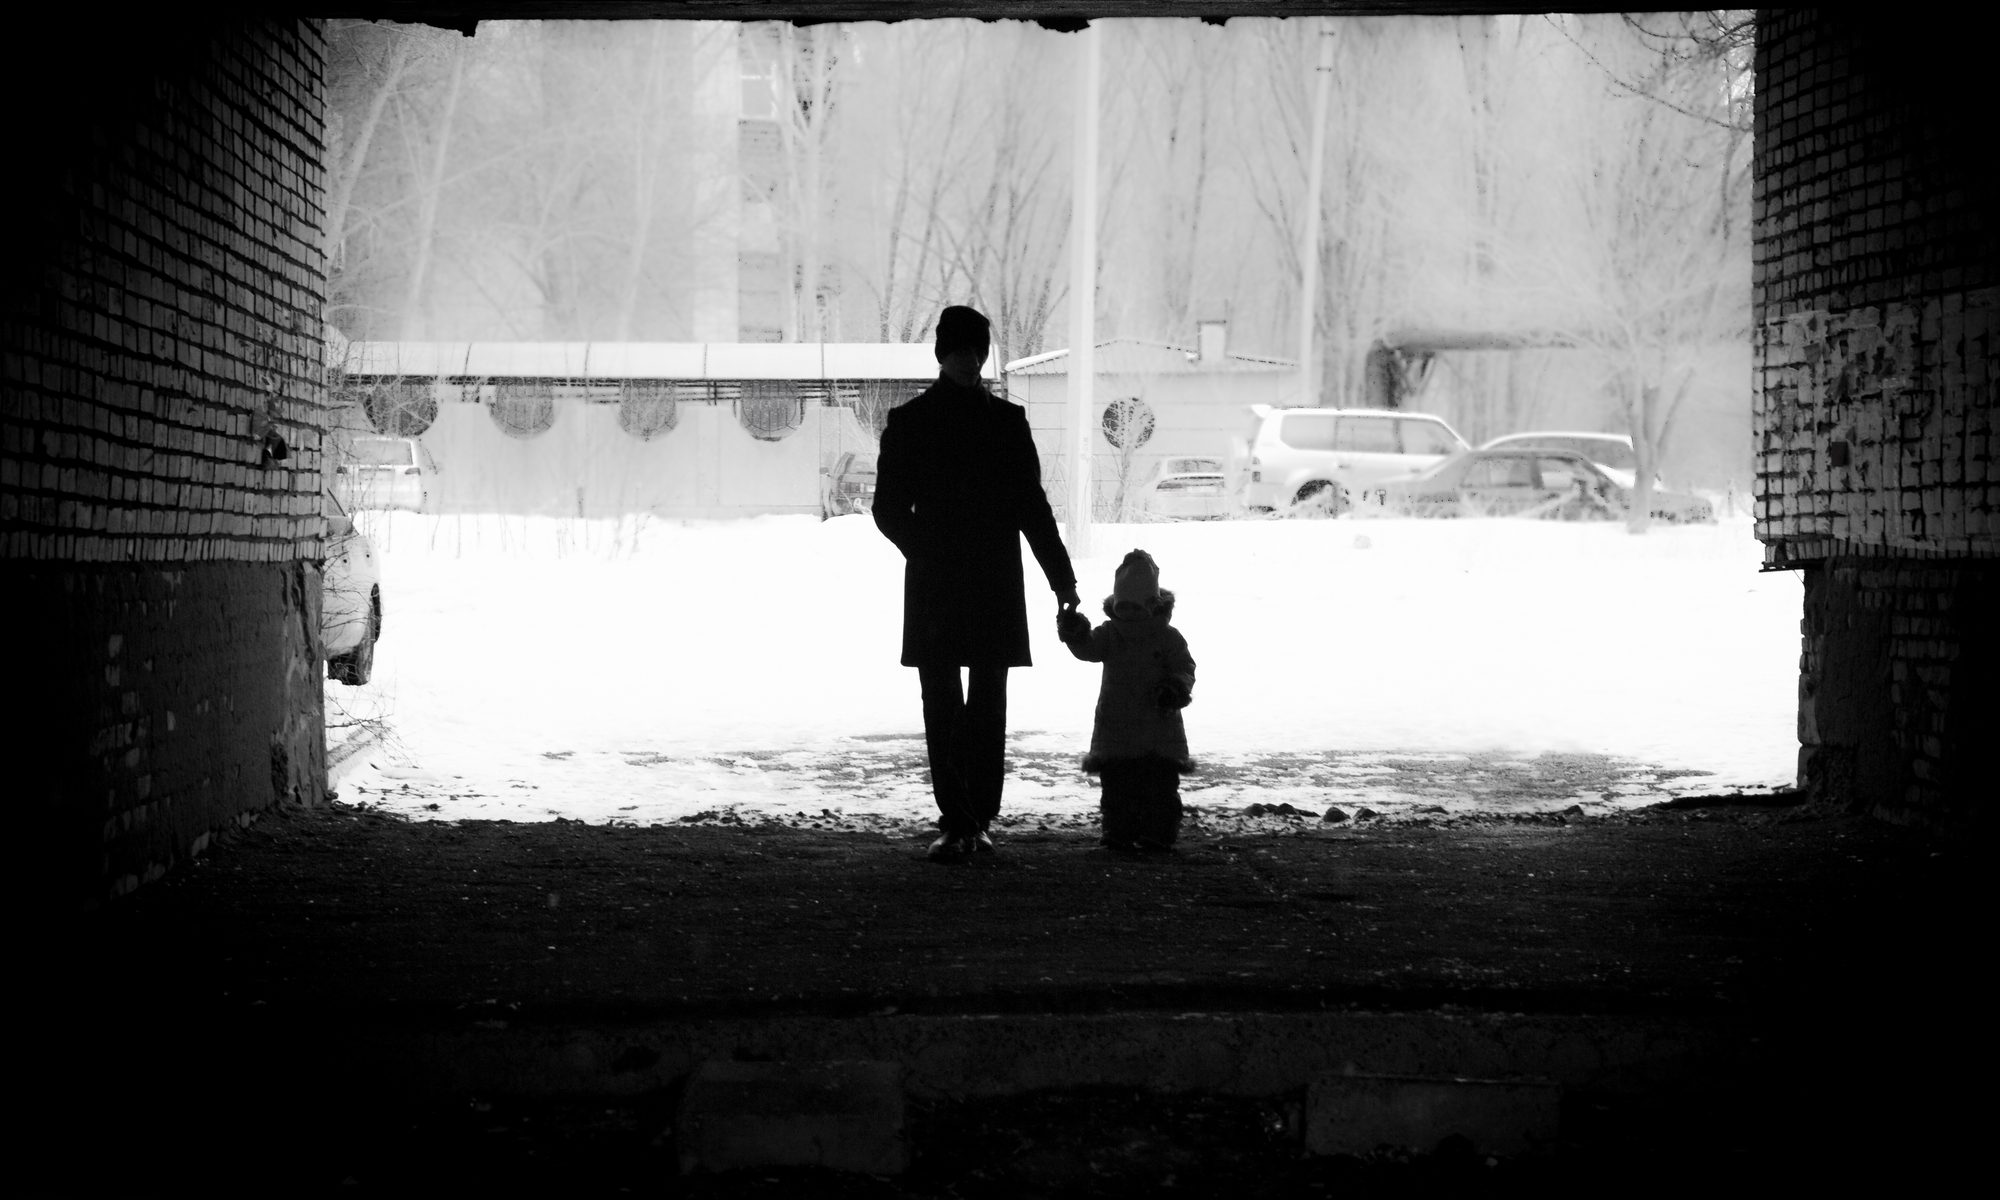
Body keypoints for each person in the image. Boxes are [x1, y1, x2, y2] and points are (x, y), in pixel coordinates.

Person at [873, 305, 1081, 862]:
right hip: (979, 577)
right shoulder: (969, 423)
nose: (970, 361)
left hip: (953, 582)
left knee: (974, 704)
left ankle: (971, 819)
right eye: (961, 351)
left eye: (976, 350)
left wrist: (1063, 581)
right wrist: (933, 551)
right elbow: (887, 509)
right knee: (955, 703)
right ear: (944, 353)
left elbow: (1033, 509)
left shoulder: (926, 422)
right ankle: (966, 818)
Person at [1056, 549, 1196, 852]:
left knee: (1159, 785)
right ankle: (1119, 830)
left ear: (1151, 604)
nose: (1128, 613)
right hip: (1119, 726)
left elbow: (1184, 667)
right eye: (1123, 606)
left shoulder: (1168, 638)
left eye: (1135, 606)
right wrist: (1076, 633)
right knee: (1118, 786)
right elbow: (1088, 649)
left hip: (1156, 729)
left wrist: (1175, 688)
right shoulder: (1110, 634)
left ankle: (1157, 832)